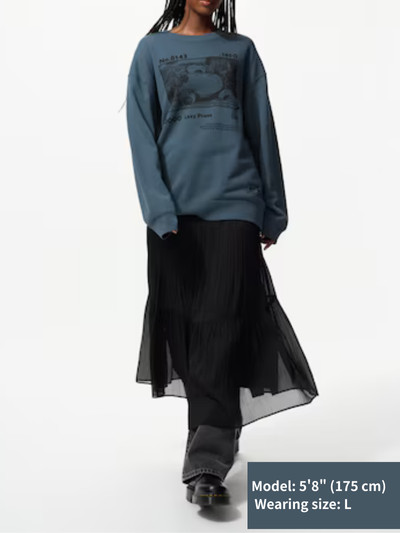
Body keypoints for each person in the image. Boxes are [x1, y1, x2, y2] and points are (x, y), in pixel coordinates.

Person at [125, 0, 319, 507]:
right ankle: (213, 433)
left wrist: (273, 208)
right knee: (186, 325)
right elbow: (141, 135)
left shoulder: (242, 51)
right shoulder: (151, 51)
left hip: (236, 202)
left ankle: (207, 461)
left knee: (224, 322)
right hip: (174, 211)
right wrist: (158, 209)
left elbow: (262, 128)